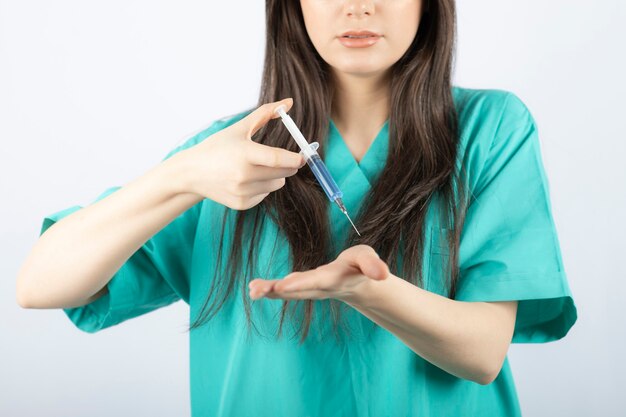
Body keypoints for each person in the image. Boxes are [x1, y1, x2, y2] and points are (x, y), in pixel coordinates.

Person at [16, 0, 578, 416]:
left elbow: (482, 353)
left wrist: (373, 293)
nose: (359, 6)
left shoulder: (490, 131)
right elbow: (40, 285)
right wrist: (181, 176)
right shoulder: (229, 156)